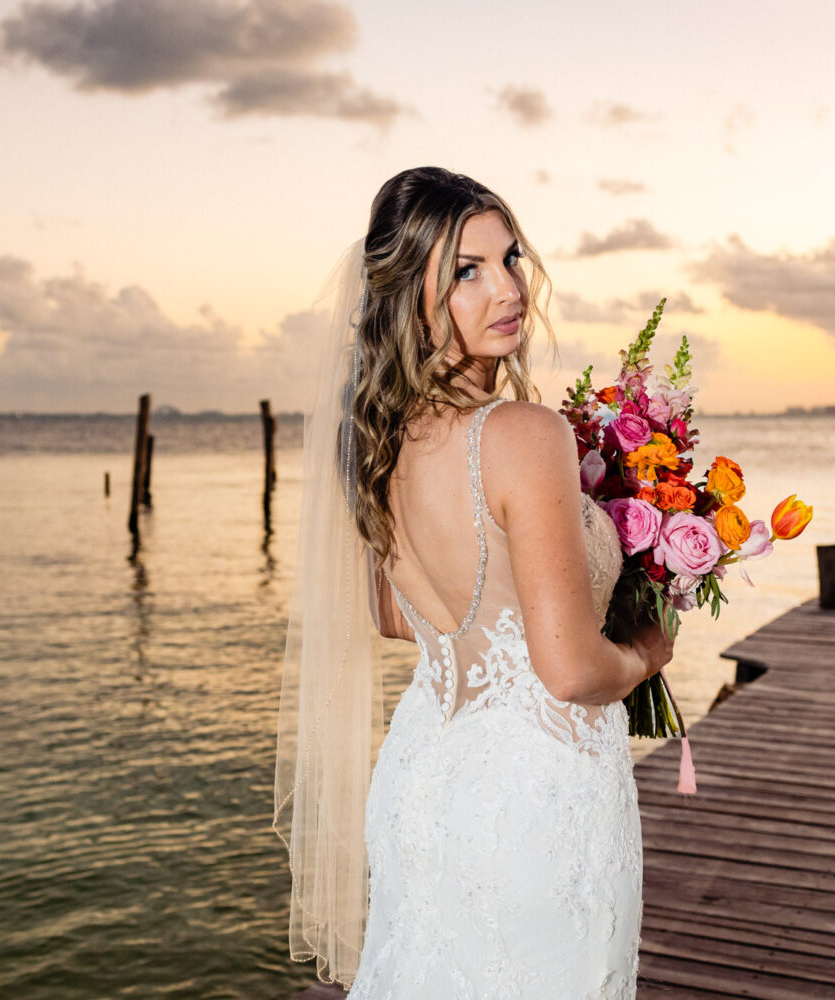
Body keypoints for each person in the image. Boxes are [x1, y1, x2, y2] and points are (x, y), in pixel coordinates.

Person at [274, 166, 674, 998]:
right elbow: (567, 670)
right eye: (466, 271)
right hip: (532, 806)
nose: (508, 288)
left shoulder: (376, 439)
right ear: (409, 299)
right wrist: (646, 653)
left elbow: (392, 617)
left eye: (511, 258)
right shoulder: (524, 434)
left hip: (422, 780)